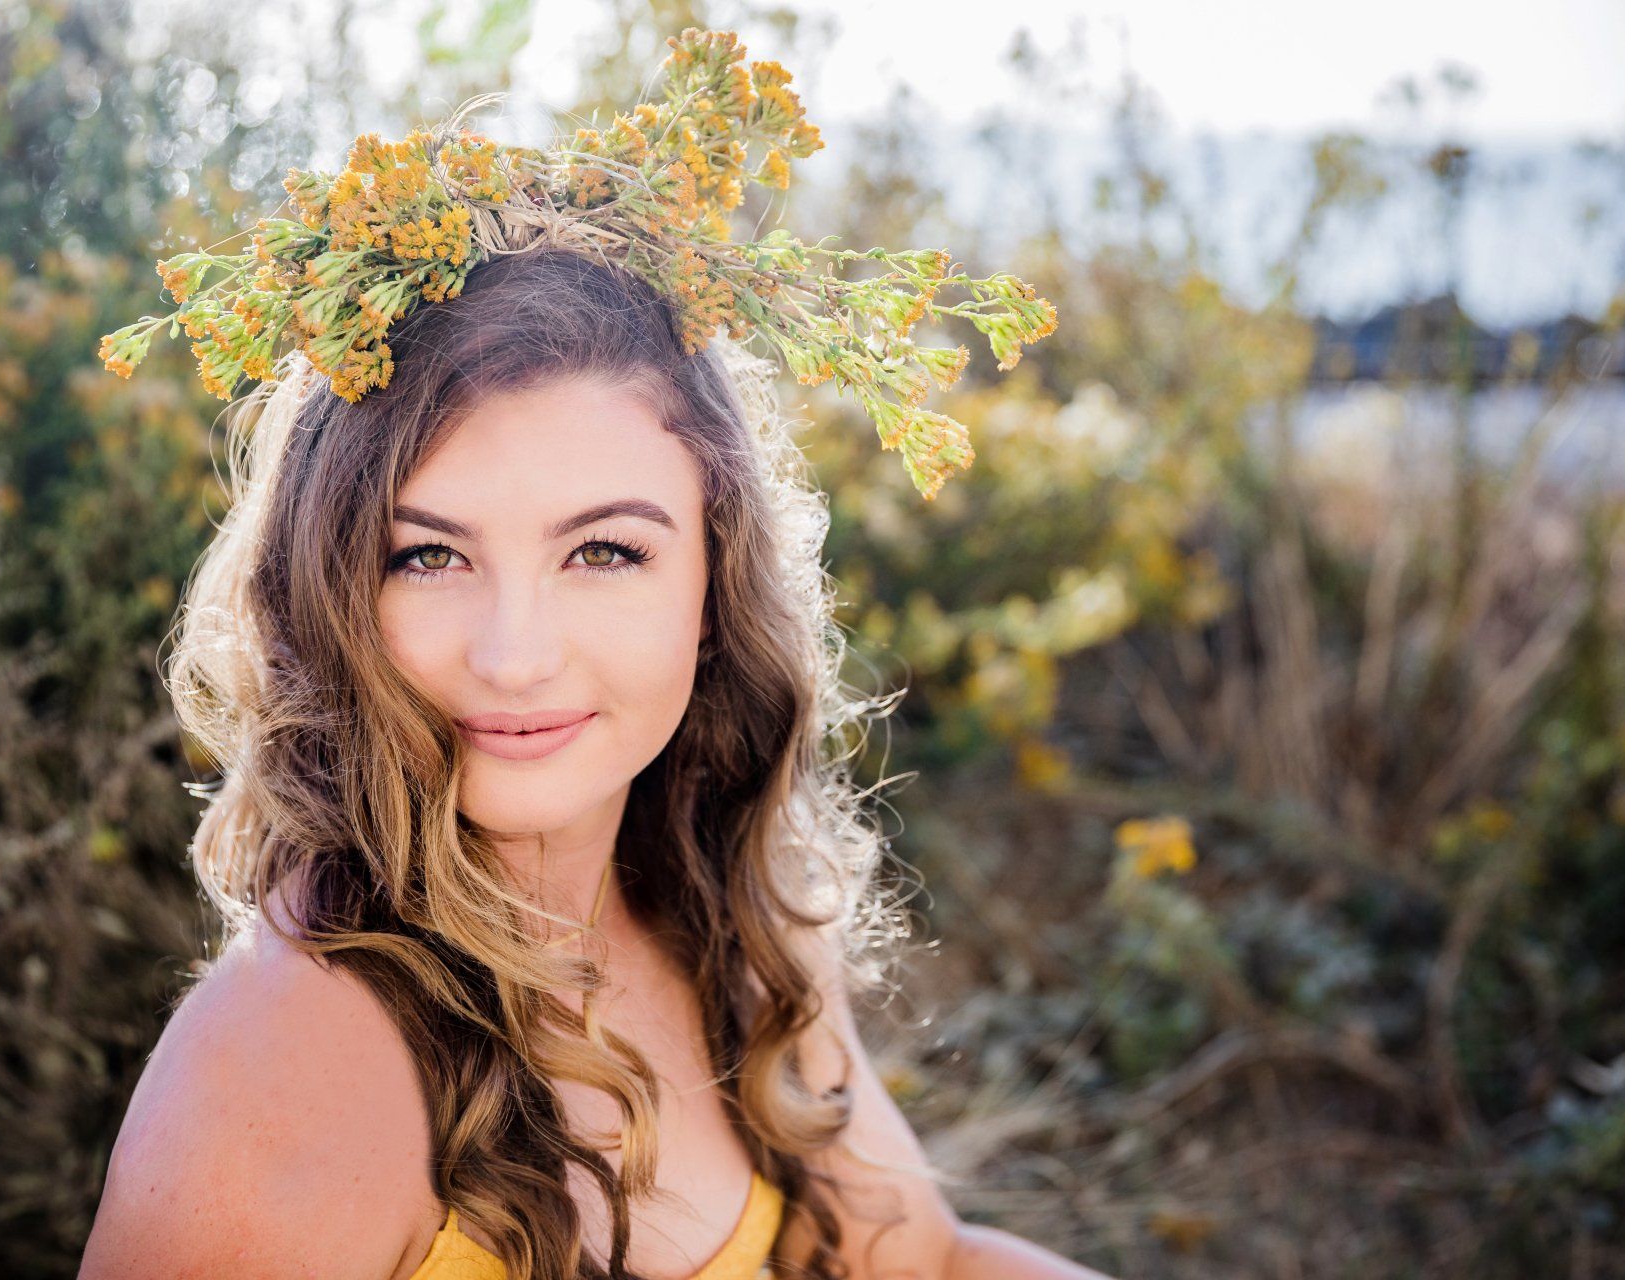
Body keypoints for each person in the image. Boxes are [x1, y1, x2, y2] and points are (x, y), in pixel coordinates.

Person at [79, 29, 1098, 1280]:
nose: (514, 657)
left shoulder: (732, 922)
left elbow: (926, 1262)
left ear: (713, 590)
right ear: (329, 592)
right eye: (429, 556)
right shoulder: (284, 1062)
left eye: (605, 552)